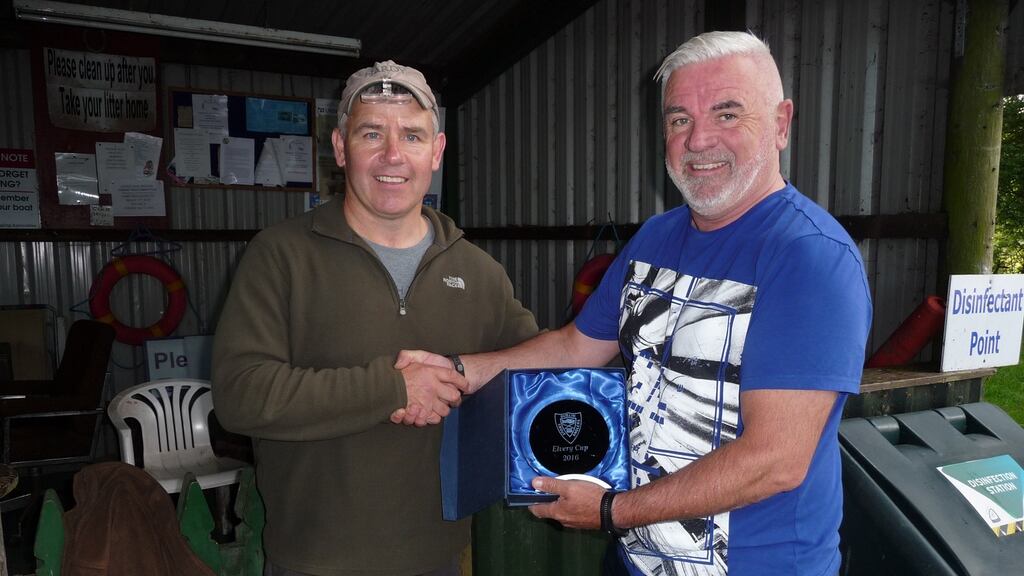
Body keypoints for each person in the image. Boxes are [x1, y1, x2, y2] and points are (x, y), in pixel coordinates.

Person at [395, 31, 872, 576]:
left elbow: (775, 461)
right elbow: (577, 345)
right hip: (638, 559)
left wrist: (611, 510)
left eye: (727, 114)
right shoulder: (656, 237)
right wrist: (463, 370)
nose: (697, 140)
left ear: (782, 123)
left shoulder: (810, 258)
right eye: (678, 120)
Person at [212, 60, 538, 576]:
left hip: (439, 560)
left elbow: (537, 373)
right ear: (341, 148)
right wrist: (394, 390)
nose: (393, 155)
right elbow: (240, 395)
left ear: (437, 151)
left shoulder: (479, 272)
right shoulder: (280, 255)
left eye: (412, 135)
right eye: (372, 133)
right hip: (312, 563)